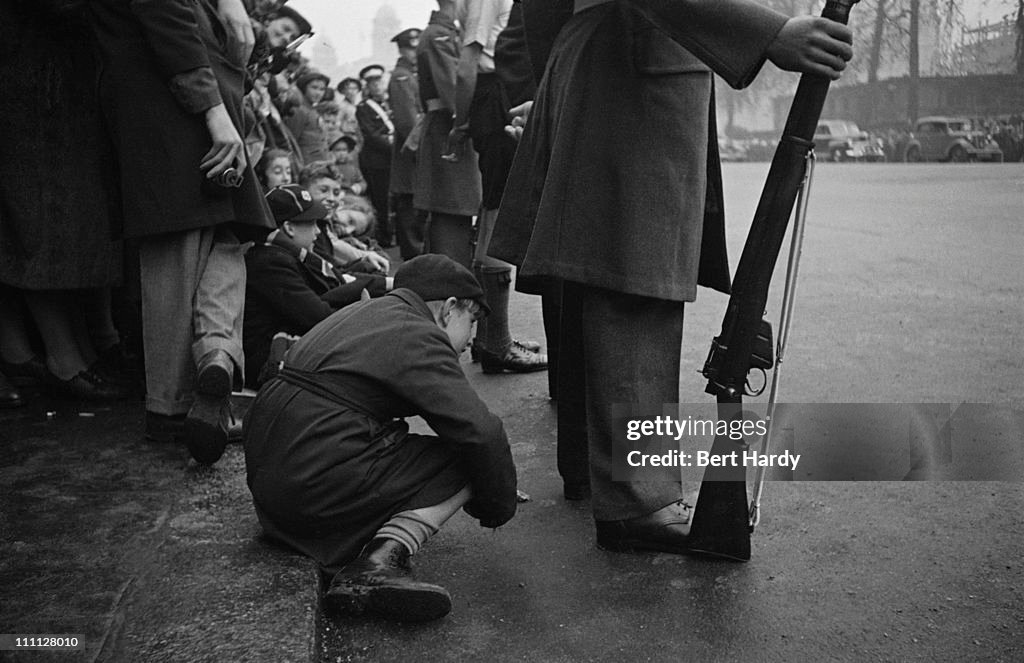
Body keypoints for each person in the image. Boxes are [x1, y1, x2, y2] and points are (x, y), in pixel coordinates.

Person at [490, 0, 853, 552]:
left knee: (604, 271)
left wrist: (563, 72)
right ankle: (637, 500)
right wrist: (769, 32)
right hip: (635, 59)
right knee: (635, 276)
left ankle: (599, 474)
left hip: (616, 56)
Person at [244, 253, 518, 622]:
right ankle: (377, 565)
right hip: (307, 481)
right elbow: (482, 434)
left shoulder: (362, 315)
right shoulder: (418, 332)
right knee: (468, 458)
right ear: (448, 309)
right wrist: (495, 503)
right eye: (472, 321)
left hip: (271, 486)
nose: (470, 339)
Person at [87, 0, 276, 464]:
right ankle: (181, 396)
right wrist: (215, 112)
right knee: (195, 243)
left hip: (180, 95)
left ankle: (206, 370)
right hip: (181, 97)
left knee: (216, 240)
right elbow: (167, 20)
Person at [449, 0, 547, 375]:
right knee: (498, 211)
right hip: (496, 97)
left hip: (495, 96)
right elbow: (467, 65)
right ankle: (496, 342)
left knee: (495, 209)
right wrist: (462, 123)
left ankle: (492, 335)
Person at [243, 184, 390, 389]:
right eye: (311, 223)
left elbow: (336, 283)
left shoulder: (290, 254)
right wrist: (363, 314)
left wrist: (387, 285)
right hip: (268, 361)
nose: (317, 231)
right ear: (289, 228)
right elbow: (318, 315)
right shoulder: (270, 262)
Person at [414, 0, 482, 270]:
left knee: (457, 213)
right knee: (451, 212)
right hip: (449, 128)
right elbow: (455, 88)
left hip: (450, 127)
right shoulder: (437, 35)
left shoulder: (445, 33)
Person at [387, 28, 427, 260]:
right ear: (402, 49)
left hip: (412, 152)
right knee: (411, 209)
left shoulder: (410, 74)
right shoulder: (401, 76)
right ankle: (413, 257)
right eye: (411, 48)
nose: (415, 53)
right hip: (410, 152)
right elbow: (407, 121)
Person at [355, 65, 396, 247]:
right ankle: (384, 237)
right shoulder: (364, 108)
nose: (377, 86)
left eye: (379, 81)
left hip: (392, 159)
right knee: (380, 200)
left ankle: (392, 233)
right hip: (377, 161)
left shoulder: (391, 102)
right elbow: (372, 136)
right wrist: (395, 147)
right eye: (372, 83)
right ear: (368, 86)